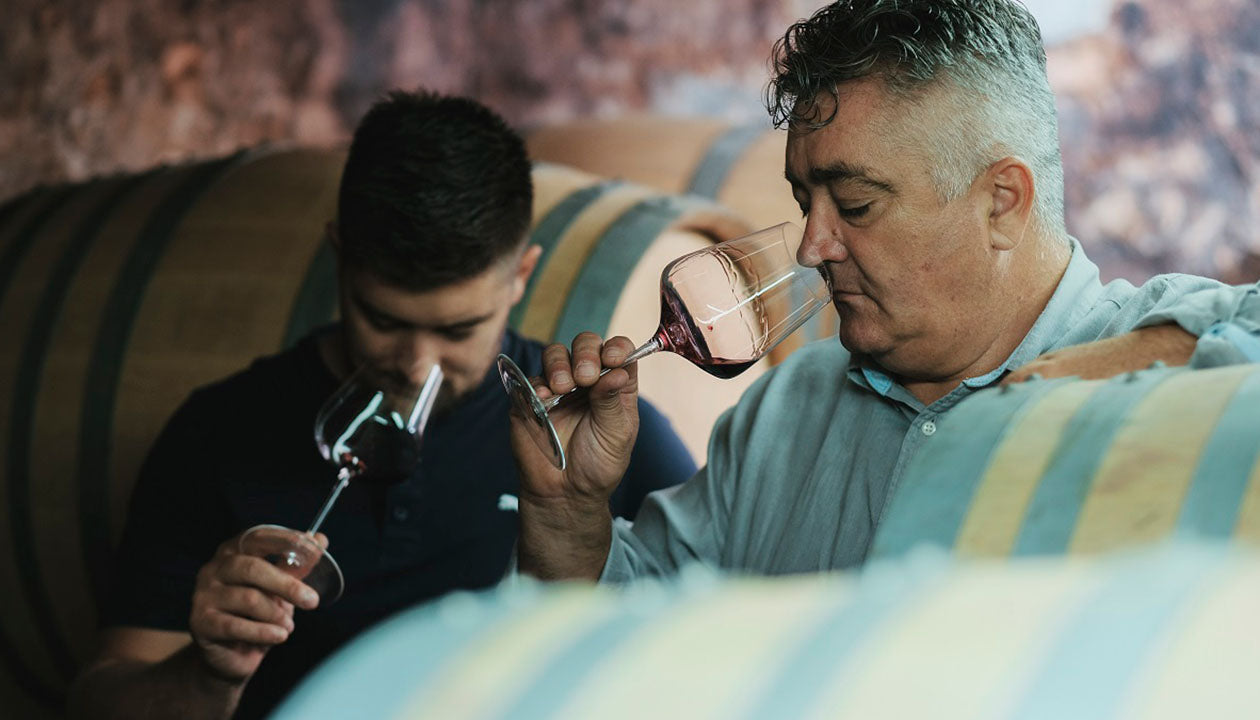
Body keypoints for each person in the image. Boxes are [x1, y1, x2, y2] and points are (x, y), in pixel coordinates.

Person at [509, 0, 1260, 582]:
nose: (811, 248)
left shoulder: (1168, 360)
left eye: (857, 204)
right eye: (805, 202)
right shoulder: (785, 411)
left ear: (1002, 203)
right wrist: (569, 517)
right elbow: (641, 644)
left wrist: (1091, 375)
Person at [69, 91, 695, 720]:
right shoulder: (220, 431)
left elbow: (717, 654)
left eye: (457, 330)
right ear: (340, 256)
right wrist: (209, 674)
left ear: (521, 276)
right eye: (384, 320)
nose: (417, 365)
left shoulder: (592, 435)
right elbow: (101, 701)